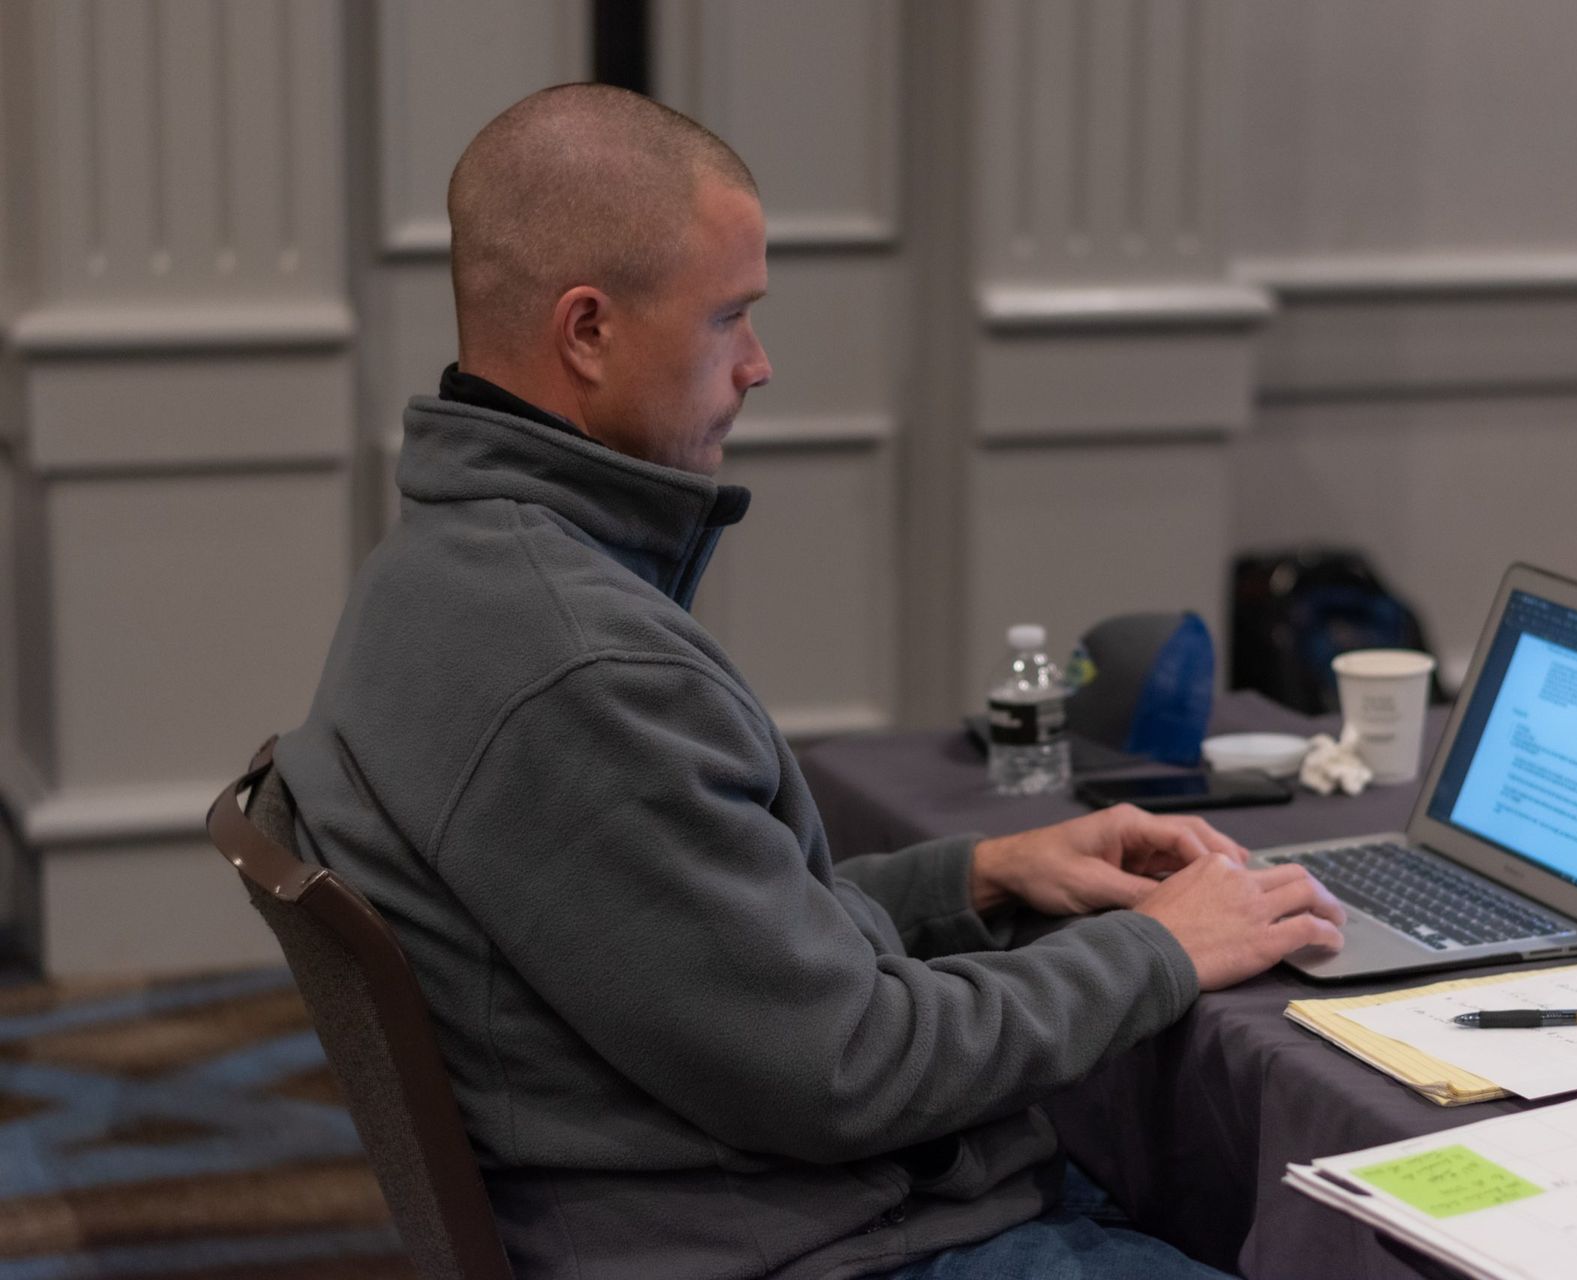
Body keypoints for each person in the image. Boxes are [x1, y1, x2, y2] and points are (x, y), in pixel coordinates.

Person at [277, 83, 1345, 1279]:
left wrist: (980, 874)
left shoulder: (438, 568)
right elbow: (850, 1063)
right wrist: (1165, 948)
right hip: (814, 1241)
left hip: (696, 1204)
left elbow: (706, 943)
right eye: (730, 316)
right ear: (589, 330)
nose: (759, 364)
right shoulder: (579, 663)